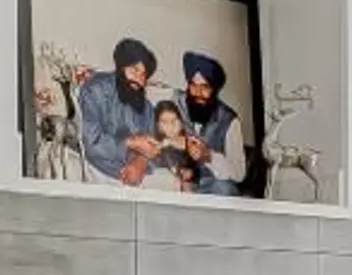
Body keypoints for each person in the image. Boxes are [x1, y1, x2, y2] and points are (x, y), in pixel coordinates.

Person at [71, 39, 162, 183]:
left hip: (137, 173)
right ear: (121, 67)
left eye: (144, 75)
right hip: (99, 168)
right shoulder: (95, 89)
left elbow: (152, 149)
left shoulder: (147, 108)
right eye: (134, 70)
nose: (139, 79)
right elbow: (91, 143)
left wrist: (140, 164)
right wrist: (130, 143)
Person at [177, 51, 248, 196]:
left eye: (205, 87)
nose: (198, 93)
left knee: (224, 189)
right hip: (179, 182)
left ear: (214, 89)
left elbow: (239, 173)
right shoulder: (178, 101)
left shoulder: (230, 121)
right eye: (193, 85)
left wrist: (209, 156)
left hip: (210, 186)